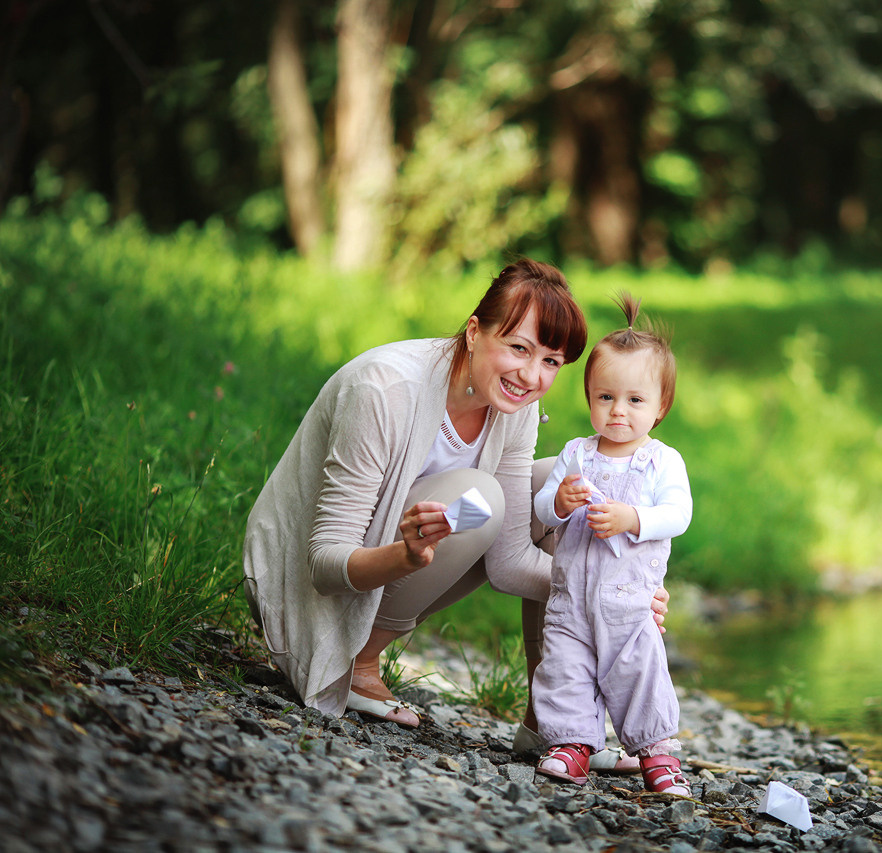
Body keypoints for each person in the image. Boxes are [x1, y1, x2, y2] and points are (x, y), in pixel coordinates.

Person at [241, 261, 664, 774]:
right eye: (518, 348)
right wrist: (403, 555)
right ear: (473, 331)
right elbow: (323, 565)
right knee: (479, 493)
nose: (532, 377)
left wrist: (622, 591)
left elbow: (509, 563)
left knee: (564, 488)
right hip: (305, 588)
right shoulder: (385, 388)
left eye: (552, 362)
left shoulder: (517, 406)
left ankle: (557, 724)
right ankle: (359, 661)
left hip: (398, 566)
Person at [529, 293, 693, 796]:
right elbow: (539, 513)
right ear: (590, 398)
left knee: (639, 672)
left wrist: (631, 518)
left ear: (660, 407)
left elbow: (679, 515)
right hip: (572, 598)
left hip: (628, 602)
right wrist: (559, 500)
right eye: (605, 397)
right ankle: (573, 744)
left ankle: (656, 753)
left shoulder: (662, 462)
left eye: (635, 400)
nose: (618, 411)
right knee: (564, 665)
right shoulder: (577, 454)